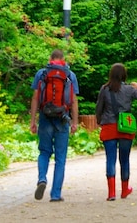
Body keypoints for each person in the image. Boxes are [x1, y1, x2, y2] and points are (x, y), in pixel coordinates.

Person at [95, 63, 137, 201]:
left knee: (110, 159)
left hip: (109, 127)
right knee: (124, 159)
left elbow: (99, 108)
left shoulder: (104, 89)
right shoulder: (129, 89)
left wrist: (99, 121)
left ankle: (111, 193)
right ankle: (125, 190)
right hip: (125, 127)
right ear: (124, 75)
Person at [29, 49, 79, 202]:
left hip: (45, 118)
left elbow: (36, 98)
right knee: (60, 158)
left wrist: (33, 120)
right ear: (63, 59)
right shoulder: (70, 75)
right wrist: (74, 122)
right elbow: (74, 101)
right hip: (62, 119)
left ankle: (42, 178)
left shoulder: (42, 74)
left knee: (44, 152)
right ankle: (55, 194)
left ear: (50, 58)